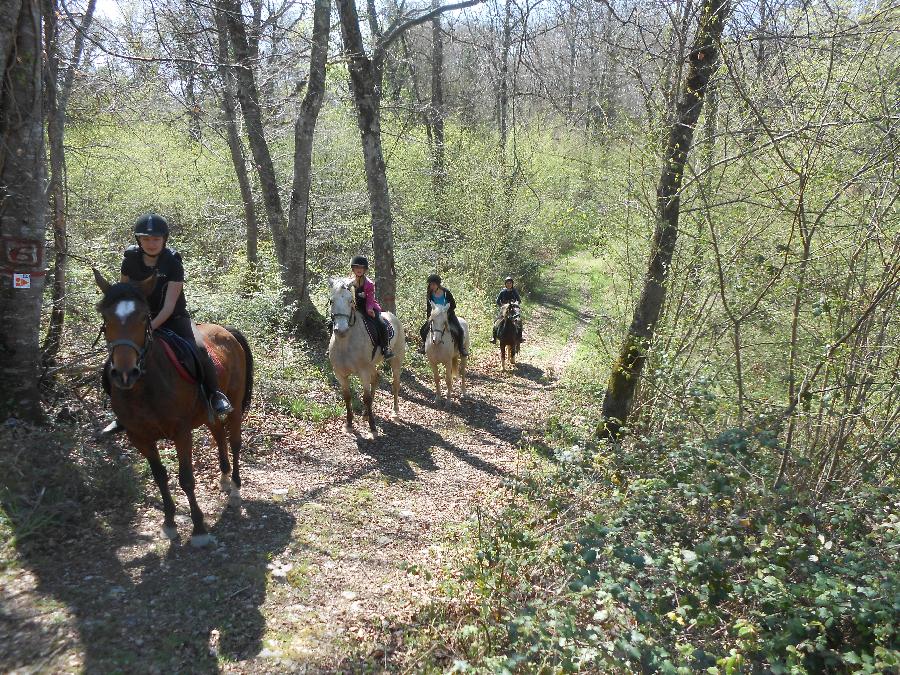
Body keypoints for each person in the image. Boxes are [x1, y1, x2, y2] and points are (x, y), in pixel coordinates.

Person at [100, 214, 232, 435]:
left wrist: (148, 327)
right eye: (146, 239)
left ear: (164, 240)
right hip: (137, 321)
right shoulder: (129, 260)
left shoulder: (172, 263)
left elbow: (169, 306)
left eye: (156, 239)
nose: (151, 243)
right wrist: (127, 323)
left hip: (174, 318)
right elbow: (124, 297)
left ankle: (214, 396)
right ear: (139, 240)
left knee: (199, 350)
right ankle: (121, 414)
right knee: (115, 359)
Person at [350, 255, 394, 360]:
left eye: (361, 268)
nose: (359, 270)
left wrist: (370, 309)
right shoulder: (348, 282)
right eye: (357, 267)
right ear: (353, 269)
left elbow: (370, 298)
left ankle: (386, 348)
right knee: (334, 321)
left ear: (365, 269)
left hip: (368, 308)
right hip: (352, 308)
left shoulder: (369, 284)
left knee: (381, 323)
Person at [418, 273, 468, 356]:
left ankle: (461, 348)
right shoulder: (430, 294)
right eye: (430, 284)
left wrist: (446, 314)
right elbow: (429, 308)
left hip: (448, 315)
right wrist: (429, 318)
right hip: (435, 316)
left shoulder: (446, 292)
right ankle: (424, 346)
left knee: (460, 330)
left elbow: (453, 305)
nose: (432, 286)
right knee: (422, 330)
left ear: (438, 284)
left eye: (433, 284)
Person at [492, 275, 524, 343]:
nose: (509, 284)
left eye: (510, 283)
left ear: (512, 284)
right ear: (505, 284)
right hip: (504, 309)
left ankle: (520, 337)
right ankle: (494, 338)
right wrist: (502, 306)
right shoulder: (502, 291)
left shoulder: (514, 291)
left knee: (519, 321)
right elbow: (498, 301)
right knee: (496, 321)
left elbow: (519, 300)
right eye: (507, 283)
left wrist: (515, 304)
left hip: (513, 309)